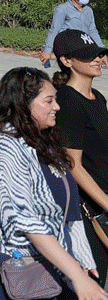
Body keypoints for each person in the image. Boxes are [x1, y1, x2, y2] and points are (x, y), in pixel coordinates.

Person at [0, 67, 108, 300]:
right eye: (49, 101)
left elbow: (69, 206)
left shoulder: (41, 138)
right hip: (0, 250)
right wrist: (76, 274)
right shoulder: (1, 147)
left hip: (37, 248)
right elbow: (25, 219)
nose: (57, 106)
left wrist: (82, 257)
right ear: (23, 106)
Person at [52, 30, 108, 274]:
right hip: (89, 206)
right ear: (66, 61)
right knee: (91, 279)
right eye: (87, 56)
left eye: (98, 53)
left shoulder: (98, 98)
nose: (97, 59)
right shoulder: (67, 101)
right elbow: (73, 164)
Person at [43, 0, 105, 66]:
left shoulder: (88, 11)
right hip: (69, 49)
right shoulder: (62, 9)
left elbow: (93, 31)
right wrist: (47, 51)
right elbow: (54, 30)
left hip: (85, 48)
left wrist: (102, 51)